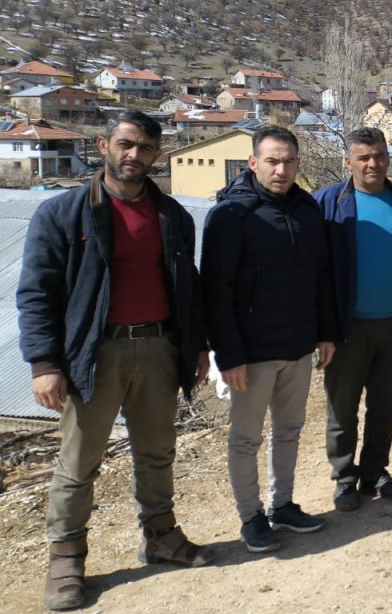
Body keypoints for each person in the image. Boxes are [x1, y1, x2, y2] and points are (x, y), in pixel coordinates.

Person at [18, 112, 214, 611]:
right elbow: (37, 293)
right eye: (126, 145)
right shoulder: (64, 213)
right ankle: (66, 559)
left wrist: (196, 347)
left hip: (157, 349)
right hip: (93, 353)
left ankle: (161, 536)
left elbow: (188, 288)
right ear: (104, 145)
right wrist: (44, 363)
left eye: (145, 148)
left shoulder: (172, 215)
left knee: (157, 451)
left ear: (157, 154)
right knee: (79, 462)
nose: (134, 156)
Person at [202, 126, 337, 552]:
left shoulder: (306, 210)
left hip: (297, 346)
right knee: (246, 438)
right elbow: (216, 290)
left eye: (289, 161)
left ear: (298, 164)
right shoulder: (230, 215)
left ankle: (283, 506)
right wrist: (229, 355)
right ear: (253, 163)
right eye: (272, 161)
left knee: (290, 429)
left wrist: (325, 334)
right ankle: (251, 517)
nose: (281, 170)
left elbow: (320, 277)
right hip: (251, 352)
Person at [316, 127, 392, 511]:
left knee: (386, 405)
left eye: (379, 156)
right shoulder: (329, 203)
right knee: (342, 408)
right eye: (363, 157)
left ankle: (375, 470)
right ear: (348, 161)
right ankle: (345, 478)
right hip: (347, 329)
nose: (373, 164)